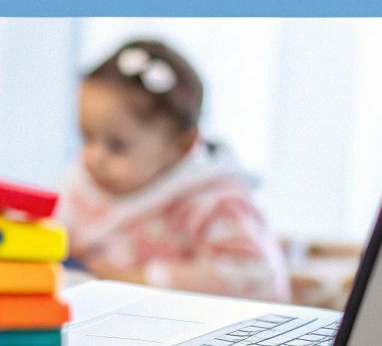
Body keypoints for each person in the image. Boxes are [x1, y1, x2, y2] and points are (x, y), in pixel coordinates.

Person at [58, 40, 290, 302]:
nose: (94, 156)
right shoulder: (84, 182)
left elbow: (255, 279)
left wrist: (143, 280)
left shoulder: (214, 200)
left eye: (117, 146)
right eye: (86, 137)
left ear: (181, 146)